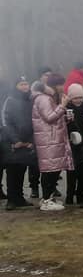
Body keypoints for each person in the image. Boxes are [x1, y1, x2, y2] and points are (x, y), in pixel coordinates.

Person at [31, 74, 74, 211]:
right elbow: (49, 118)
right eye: (61, 84)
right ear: (55, 85)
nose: (63, 87)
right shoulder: (43, 99)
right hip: (48, 140)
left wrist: (66, 116)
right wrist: (62, 106)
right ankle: (46, 200)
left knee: (54, 170)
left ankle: (49, 198)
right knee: (49, 171)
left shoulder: (50, 98)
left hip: (53, 139)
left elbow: (55, 118)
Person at [1, 76, 37, 210]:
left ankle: (19, 198)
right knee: (12, 171)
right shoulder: (10, 100)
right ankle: (11, 199)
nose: (24, 87)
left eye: (26, 84)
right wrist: (16, 140)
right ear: (16, 86)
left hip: (27, 142)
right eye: (21, 84)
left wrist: (30, 141)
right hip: (12, 143)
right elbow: (6, 122)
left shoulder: (30, 100)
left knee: (22, 169)